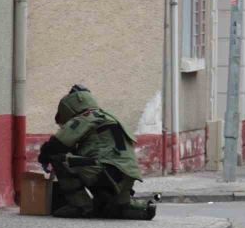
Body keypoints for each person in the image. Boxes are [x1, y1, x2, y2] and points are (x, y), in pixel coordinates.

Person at [38, 85, 157, 220]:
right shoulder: (106, 117)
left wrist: (44, 157)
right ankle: (141, 209)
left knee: (59, 158)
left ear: (69, 108)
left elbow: (57, 144)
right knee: (116, 209)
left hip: (106, 172)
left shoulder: (87, 116)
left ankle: (80, 206)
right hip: (126, 175)